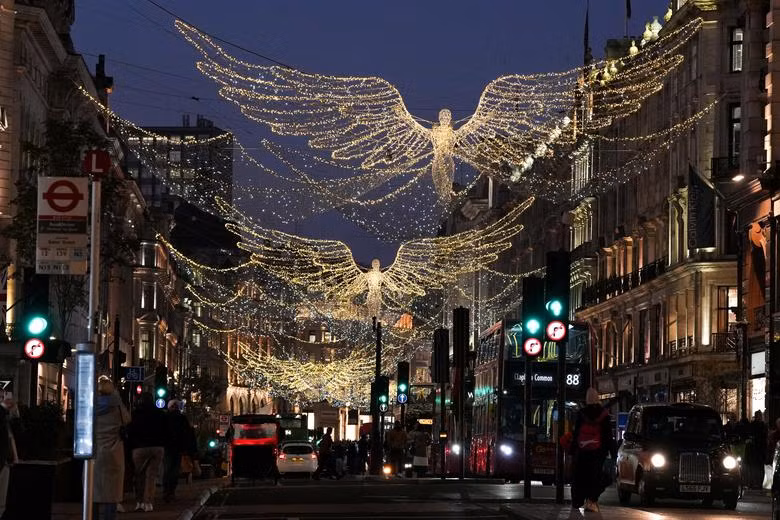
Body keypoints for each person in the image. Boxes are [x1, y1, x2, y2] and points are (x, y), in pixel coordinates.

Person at [570, 388, 616, 513]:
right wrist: (613, 453)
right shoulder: (604, 415)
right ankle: (591, 500)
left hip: (582, 451)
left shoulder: (581, 414)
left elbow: (576, 433)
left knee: (580, 475)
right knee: (596, 476)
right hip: (598, 452)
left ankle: (578, 500)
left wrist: (573, 450)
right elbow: (608, 436)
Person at [93, 376, 130, 520]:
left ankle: (92, 516)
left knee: (93, 490)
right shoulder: (117, 406)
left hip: (95, 451)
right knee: (112, 492)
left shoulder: (92, 406)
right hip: (114, 452)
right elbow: (127, 419)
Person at [127, 392, 167, 512]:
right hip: (157, 447)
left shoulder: (136, 414)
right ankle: (148, 502)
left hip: (139, 447)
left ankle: (139, 502)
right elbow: (165, 430)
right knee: (151, 476)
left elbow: (131, 430)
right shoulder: (160, 414)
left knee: (139, 475)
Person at [163, 399, 196, 502]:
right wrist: (187, 448)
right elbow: (187, 434)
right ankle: (171, 491)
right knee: (174, 470)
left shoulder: (165, 417)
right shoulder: (182, 418)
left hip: (168, 447)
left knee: (168, 468)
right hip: (178, 448)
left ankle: (167, 490)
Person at [0, 397, 18, 518]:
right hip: (3, 461)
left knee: (2, 501)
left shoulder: (6, 421)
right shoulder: (3, 418)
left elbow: (11, 438)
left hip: (5, 461)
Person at [747, 410, 769, 488]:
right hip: (756, 449)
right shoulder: (758, 425)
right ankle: (756, 483)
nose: (760, 417)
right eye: (759, 416)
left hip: (759, 449)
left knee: (758, 467)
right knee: (756, 467)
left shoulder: (761, 425)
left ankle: (757, 483)